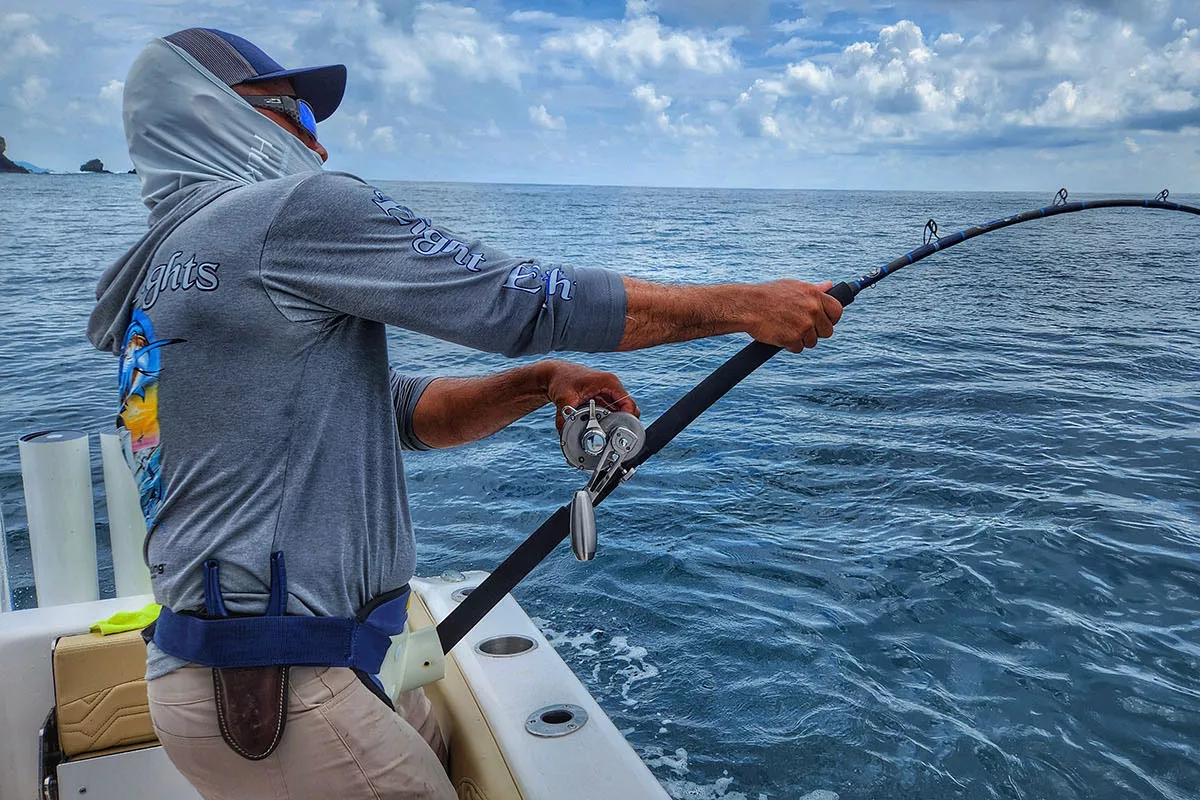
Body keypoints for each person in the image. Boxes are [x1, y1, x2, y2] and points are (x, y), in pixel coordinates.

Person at [88, 27, 843, 800]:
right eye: (298, 115)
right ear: (203, 112)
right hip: (282, 691)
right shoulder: (286, 213)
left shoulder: (163, 272)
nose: (317, 148)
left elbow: (397, 413)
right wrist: (746, 306)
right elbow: (519, 298)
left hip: (222, 677)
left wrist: (536, 382)